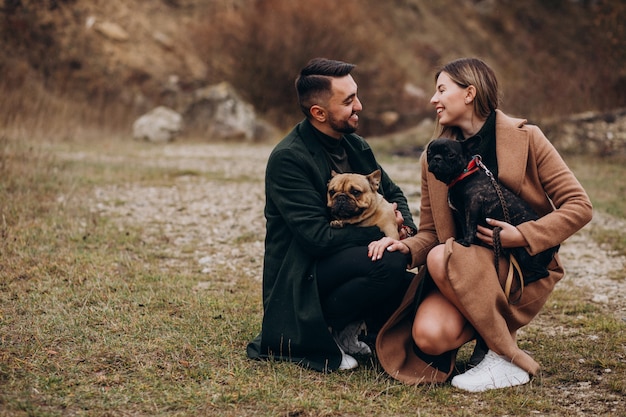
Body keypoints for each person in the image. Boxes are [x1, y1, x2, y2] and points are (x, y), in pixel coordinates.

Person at [372, 57, 592, 391]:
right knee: (430, 337)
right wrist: (407, 246)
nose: (434, 99)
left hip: (518, 265)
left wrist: (523, 235)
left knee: (439, 258)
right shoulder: (434, 156)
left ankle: (504, 357)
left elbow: (579, 206)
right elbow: (432, 232)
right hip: (459, 270)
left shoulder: (528, 137)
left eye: (442, 90)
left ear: (470, 93)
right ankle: (494, 339)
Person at [246, 58, 417, 372]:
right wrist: (382, 234)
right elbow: (316, 239)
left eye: (357, 96)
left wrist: (405, 230)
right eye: (349, 101)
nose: (360, 106)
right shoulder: (289, 158)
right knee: (388, 261)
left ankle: (356, 331)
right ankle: (325, 331)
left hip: (344, 256)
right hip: (303, 271)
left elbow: (393, 194)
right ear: (319, 113)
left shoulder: (356, 145)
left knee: (411, 280)